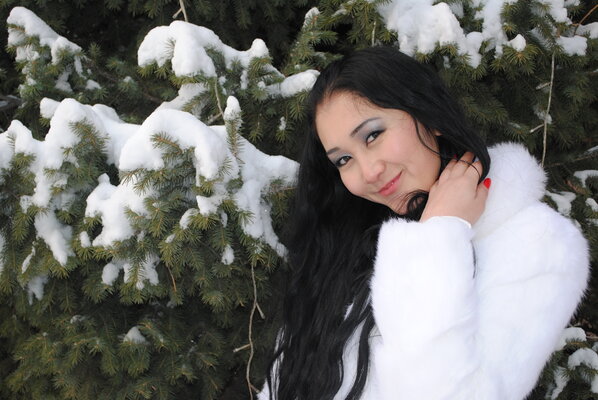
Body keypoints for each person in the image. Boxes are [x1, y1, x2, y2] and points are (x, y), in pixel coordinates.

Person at [259, 46, 589, 400]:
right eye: (343, 160)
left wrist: (441, 233)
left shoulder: (539, 244)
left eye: (373, 135)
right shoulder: (347, 250)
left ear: (429, 116)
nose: (368, 172)